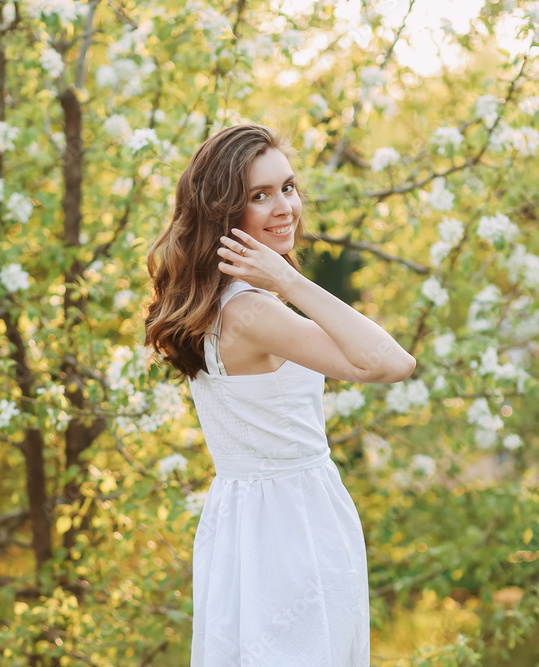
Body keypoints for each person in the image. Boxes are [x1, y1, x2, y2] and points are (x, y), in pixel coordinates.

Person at [143, 123, 416, 666]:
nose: (284, 207)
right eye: (259, 196)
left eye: (287, 187)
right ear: (224, 213)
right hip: (292, 523)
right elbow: (391, 362)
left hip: (245, 519)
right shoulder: (252, 311)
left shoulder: (214, 302)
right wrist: (289, 282)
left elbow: (363, 359)